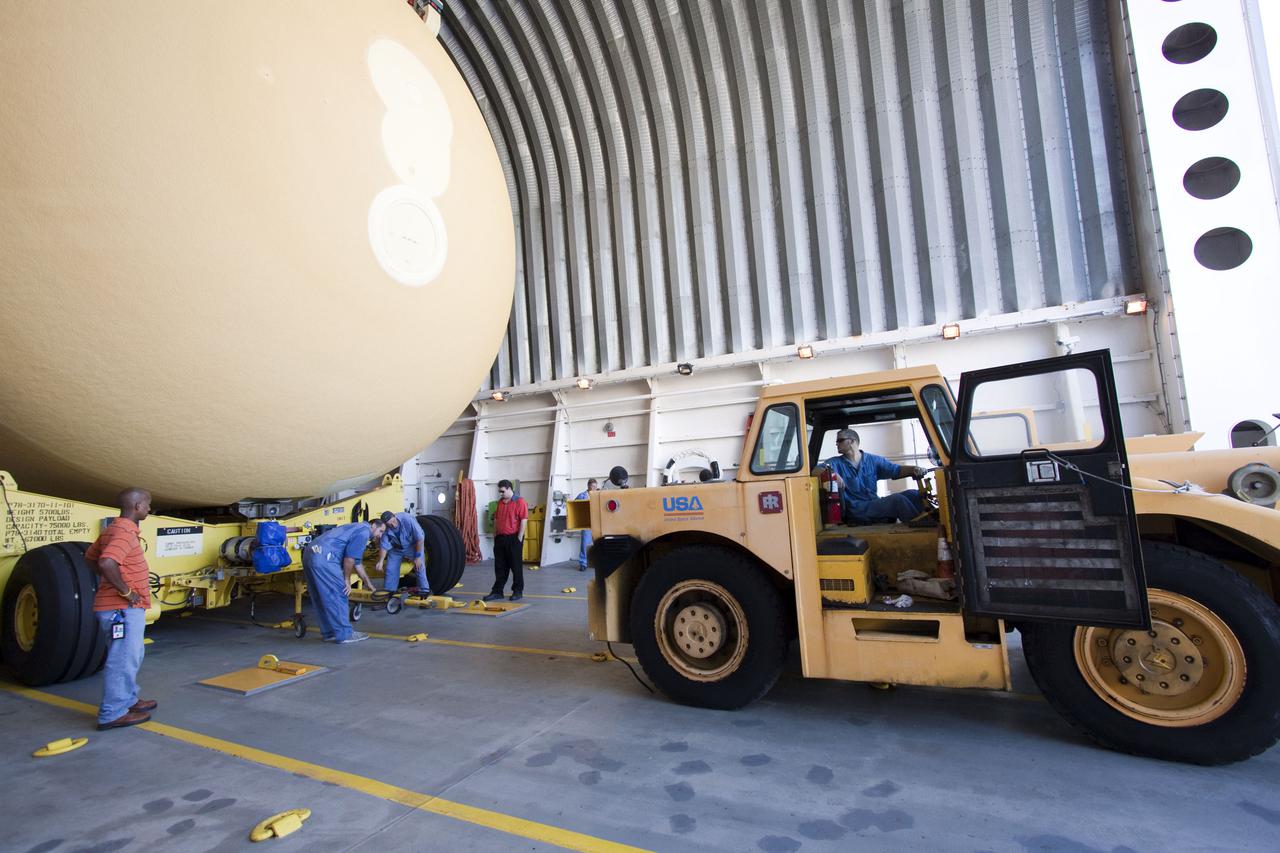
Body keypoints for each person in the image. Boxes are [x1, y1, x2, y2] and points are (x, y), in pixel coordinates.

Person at [87, 487, 158, 731]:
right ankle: (112, 713)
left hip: (123, 608)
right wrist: (125, 590)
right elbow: (106, 562)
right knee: (122, 660)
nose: (149, 508)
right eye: (147, 504)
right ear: (137, 506)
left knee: (132, 655)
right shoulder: (124, 533)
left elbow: (91, 557)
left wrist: (114, 579)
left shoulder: (114, 528)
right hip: (122, 608)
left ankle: (129, 699)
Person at [819, 429, 926, 524]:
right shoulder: (835, 463)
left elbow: (896, 470)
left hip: (873, 503)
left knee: (914, 494)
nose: (836, 444)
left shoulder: (872, 460)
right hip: (857, 509)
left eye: (839, 440)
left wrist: (914, 469)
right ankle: (918, 527)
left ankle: (927, 521)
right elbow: (816, 470)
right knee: (897, 500)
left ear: (851, 441)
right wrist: (832, 473)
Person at [301, 518, 383, 643]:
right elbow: (349, 559)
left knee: (320, 596)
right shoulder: (364, 532)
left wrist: (369, 585)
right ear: (373, 526)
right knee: (339, 593)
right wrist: (346, 580)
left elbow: (357, 563)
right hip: (325, 557)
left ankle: (330, 633)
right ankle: (344, 634)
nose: (379, 536)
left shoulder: (354, 527)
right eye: (380, 531)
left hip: (310, 553)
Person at [483, 479, 528, 602]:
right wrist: (495, 535)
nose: (500, 494)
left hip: (514, 539)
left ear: (509, 488)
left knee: (516, 566)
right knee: (500, 567)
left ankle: (517, 591)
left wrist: (519, 538)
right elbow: (496, 519)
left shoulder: (520, 502)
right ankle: (497, 591)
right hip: (500, 539)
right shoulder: (500, 503)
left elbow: (524, 520)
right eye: (499, 492)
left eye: (502, 491)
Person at [375, 510, 428, 594]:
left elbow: (420, 539)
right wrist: (380, 561)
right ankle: (389, 595)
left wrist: (417, 557)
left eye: (393, 521)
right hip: (396, 548)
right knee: (390, 569)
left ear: (395, 516)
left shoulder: (407, 519)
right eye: (389, 524)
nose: (392, 524)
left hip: (413, 545)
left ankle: (424, 591)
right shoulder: (385, 528)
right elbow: (384, 546)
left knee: (419, 566)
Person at [575, 478, 599, 571]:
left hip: (597, 522)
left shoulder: (598, 495)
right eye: (592, 486)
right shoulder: (582, 495)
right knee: (585, 543)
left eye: (595, 487)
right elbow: (575, 505)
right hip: (586, 522)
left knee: (597, 543)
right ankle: (583, 563)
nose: (594, 488)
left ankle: (596, 562)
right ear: (588, 486)